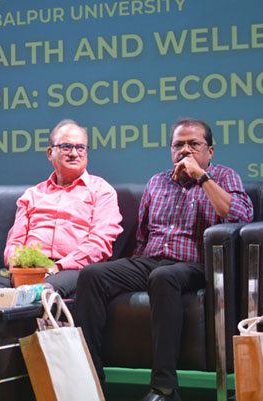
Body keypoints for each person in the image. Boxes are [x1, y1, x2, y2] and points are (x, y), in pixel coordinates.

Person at [75, 118, 254, 401]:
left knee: (163, 277)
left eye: (194, 144)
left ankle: (164, 388)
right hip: (151, 260)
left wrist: (201, 177)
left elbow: (241, 216)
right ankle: (90, 377)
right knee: (92, 275)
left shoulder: (223, 176)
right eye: (178, 145)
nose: (185, 150)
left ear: (210, 151)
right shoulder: (157, 182)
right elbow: (143, 235)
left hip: (195, 264)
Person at [3, 119, 122, 297]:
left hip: (73, 269)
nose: (74, 153)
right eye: (66, 147)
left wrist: (58, 266)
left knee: (42, 290)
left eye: (80, 148)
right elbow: (15, 243)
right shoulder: (32, 195)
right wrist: (18, 267)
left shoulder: (101, 191)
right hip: (28, 268)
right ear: (50, 153)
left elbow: (99, 243)